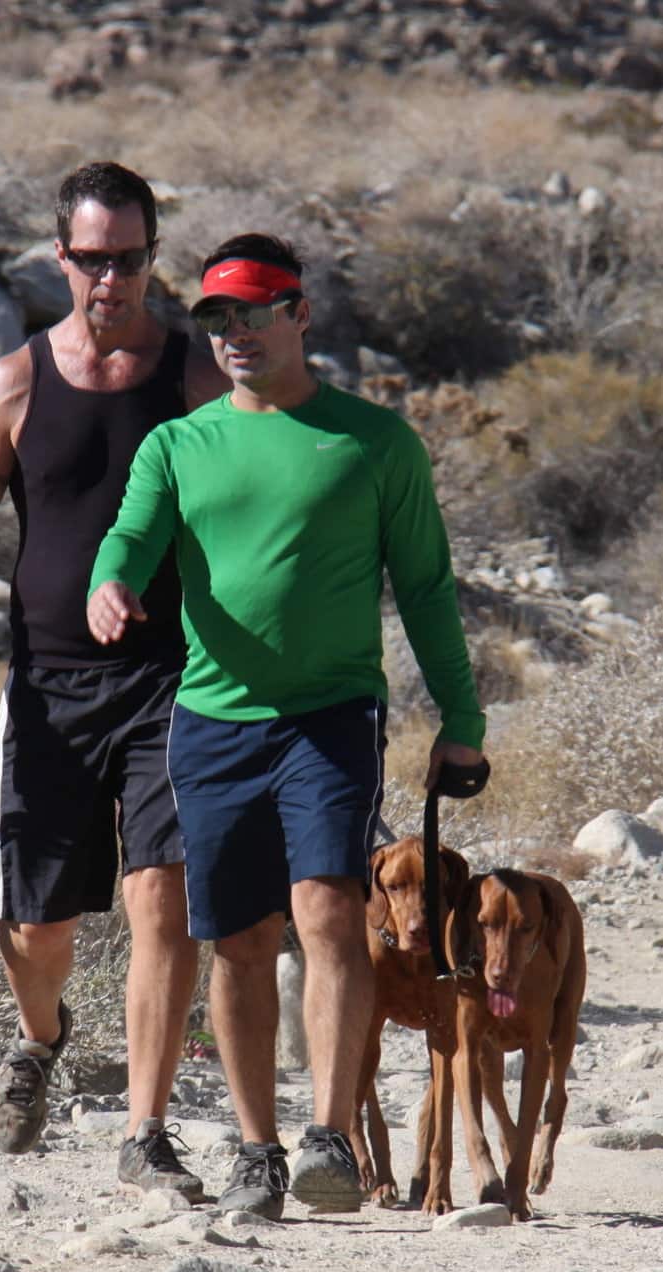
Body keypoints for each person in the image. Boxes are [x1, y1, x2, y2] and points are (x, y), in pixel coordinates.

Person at [85, 233, 486, 1218]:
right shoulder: (178, 443)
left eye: (255, 312)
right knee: (238, 940)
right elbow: (132, 531)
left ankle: (329, 1135)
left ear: (299, 314)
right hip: (211, 723)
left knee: (324, 912)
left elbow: (426, 587)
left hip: (331, 717)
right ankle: (259, 1149)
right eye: (217, 318)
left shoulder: (375, 442)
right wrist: (113, 578)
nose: (235, 333)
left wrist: (461, 716)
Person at [0, 161, 228, 1197]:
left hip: (176, 677)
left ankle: (146, 1129)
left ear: (152, 259)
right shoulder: (17, 382)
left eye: (127, 259)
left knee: (162, 897)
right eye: (90, 259)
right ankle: (42, 1036)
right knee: (34, 931)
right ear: (61, 258)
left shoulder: (199, 380)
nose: (109, 279)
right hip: (47, 687)